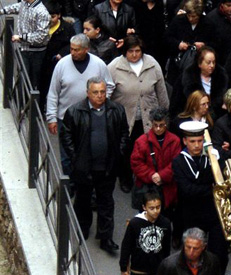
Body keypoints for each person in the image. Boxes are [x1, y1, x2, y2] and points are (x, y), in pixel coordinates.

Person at [60, 77, 129, 252]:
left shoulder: (116, 110)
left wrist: (118, 153)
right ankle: (82, 229)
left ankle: (106, 238)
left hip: (107, 167)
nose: (100, 96)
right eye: (96, 92)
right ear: (87, 93)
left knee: (106, 203)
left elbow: (123, 134)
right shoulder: (75, 111)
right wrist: (76, 158)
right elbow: (66, 137)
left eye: (102, 92)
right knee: (83, 201)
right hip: (84, 168)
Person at [46, 33, 115, 176]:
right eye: (71, 49)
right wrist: (51, 117)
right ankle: (69, 186)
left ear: (86, 49)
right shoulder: (62, 64)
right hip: (65, 117)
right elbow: (53, 92)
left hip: (91, 116)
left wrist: (100, 100)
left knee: (88, 152)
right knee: (66, 155)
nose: (73, 52)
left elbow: (109, 85)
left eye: (77, 50)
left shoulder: (98, 64)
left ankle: (85, 185)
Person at [108, 35, 169, 193]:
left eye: (138, 51)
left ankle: (144, 179)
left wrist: (164, 114)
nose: (134, 54)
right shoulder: (114, 67)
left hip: (147, 119)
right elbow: (107, 95)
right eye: (131, 51)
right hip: (125, 119)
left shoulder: (152, 64)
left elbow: (161, 91)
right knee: (126, 152)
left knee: (147, 151)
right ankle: (125, 178)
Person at [172, 121, 229, 275]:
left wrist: (219, 160)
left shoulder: (212, 156)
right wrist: (210, 188)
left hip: (214, 214)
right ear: (185, 141)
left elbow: (223, 179)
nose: (197, 145)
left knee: (219, 255)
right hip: (192, 216)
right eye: (192, 142)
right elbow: (187, 190)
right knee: (193, 254)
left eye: (199, 141)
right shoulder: (179, 162)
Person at [120, 192, 171, 275]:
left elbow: (166, 248)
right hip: (138, 272)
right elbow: (126, 246)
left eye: (158, 207)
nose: (156, 211)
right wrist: (123, 266)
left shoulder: (165, 224)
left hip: (157, 272)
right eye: (151, 208)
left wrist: (166, 268)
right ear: (144, 207)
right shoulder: (135, 224)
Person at [130, 108, 181, 215]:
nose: (158, 128)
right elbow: (136, 163)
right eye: (155, 125)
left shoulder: (175, 141)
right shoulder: (141, 141)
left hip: (167, 190)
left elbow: (176, 163)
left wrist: (161, 175)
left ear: (166, 124)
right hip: (148, 189)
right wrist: (152, 175)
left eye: (161, 125)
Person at [0, 0, 50, 89]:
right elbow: (16, 7)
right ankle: (19, 100)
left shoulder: (42, 12)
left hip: (36, 53)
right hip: (23, 49)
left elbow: (41, 36)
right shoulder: (24, 3)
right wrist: (2, 11)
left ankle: (31, 101)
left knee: (33, 81)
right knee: (22, 79)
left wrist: (21, 37)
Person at [170, 46, 228, 120]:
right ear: (199, 63)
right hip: (190, 119)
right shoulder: (187, 78)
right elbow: (176, 104)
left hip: (215, 119)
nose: (212, 65)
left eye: (214, 62)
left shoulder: (221, 78)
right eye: (208, 62)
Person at [165, 0, 216, 85]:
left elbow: (216, 43)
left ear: (199, 15)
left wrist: (204, 45)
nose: (190, 19)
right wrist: (178, 44)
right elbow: (167, 38)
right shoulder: (178, 20)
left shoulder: (208, 24)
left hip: (199, 66)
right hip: (178, 64)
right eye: (188, 16)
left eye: (194, 16)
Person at [39, 1, 75, 110]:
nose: (50, 19)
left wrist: (62, 53)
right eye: (47, 16)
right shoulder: (40, 25)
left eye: (53, 17)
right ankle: (40, 109)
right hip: (41, 61)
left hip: (56, 64)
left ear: (59, 16)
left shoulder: (67, 28)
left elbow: (71, 43)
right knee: (41, 87)